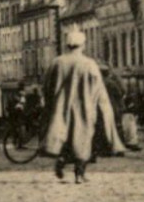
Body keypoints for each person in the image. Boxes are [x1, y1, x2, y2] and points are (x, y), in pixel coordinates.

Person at [38, 29, 119, 183]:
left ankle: (61, 162)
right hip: (85, 108)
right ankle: (79, 173)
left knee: (65, 138)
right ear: (82, 45)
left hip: (60, 109)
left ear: (68, 45)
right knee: (83, 139)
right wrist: (103, 109)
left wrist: (51, 104)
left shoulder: (57, 62)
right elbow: (99, 90)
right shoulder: (89, 64)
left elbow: (46, 87)